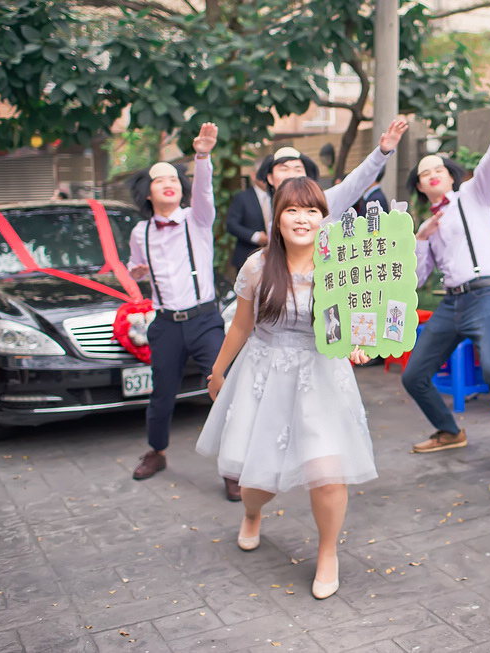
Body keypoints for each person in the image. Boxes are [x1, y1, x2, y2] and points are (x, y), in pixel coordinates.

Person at [195, 176, 377, 600]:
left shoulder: (342, 263)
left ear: (323, 219)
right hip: (268, 371)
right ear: (277, 219)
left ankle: (328, 552)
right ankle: (253, 515)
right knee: (259, 481)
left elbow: (354, 326)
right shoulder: (258, 266)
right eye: (292, 209)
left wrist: (360, 346)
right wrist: (218, 370)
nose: (302, 218)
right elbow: (241, 325)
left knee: (327, 474)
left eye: (312, 210)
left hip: (322, 374)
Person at [401, 81, 490, 480]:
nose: (432, 175)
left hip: (487, 295)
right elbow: (418, 277)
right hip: (450, 302)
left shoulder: (473, 195)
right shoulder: (424, 224)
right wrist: (419, 239)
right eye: (425, 174)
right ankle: (448, 430)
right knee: (413, 375)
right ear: (421, 186)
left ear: (449, 174)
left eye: (438, 168)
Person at [125, 123, 240, 500]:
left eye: (174, 178)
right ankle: (156, 451)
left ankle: (231, 467)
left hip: (205, 320)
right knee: (162, 394)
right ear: (148, 192)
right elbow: (135, 266)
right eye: (160, 181)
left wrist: (202, 156)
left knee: (221, 388)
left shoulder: (197, 219)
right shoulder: (140, 231)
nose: (169, 184)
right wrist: (136, 272)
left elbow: (205, 194)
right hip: (165, 324)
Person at [256, 118, 407, 227]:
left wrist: (382, 153)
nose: (292, 174)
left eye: (298, 169)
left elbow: (355, 182)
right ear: (270, 178)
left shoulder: (324, 201)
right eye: (284, 169)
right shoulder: (266, 207)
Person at [226, 164, 272, 272]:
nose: (265, 177)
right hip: (247, 256)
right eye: (261, 173)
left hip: (274, 258)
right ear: (253, 175)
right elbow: (231, 224)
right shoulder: (242, 197)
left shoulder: (278, 197)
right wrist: (255, 237)